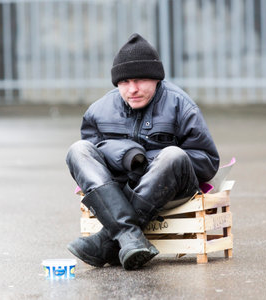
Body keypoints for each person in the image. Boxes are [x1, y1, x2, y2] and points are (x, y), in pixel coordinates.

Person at [65, 33, 220, 270]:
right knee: (78, 150)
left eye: (140, 81)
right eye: (124, 82)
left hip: (171, 191)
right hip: (118, 193)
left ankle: (108, 240)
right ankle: (129, 237)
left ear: (156, 79)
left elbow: (207, 161)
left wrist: (147, 162)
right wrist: (125, 156)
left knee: (173, 155)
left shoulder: (181, 105)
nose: (133, 89)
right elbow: (93, 160)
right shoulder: (98, 111)